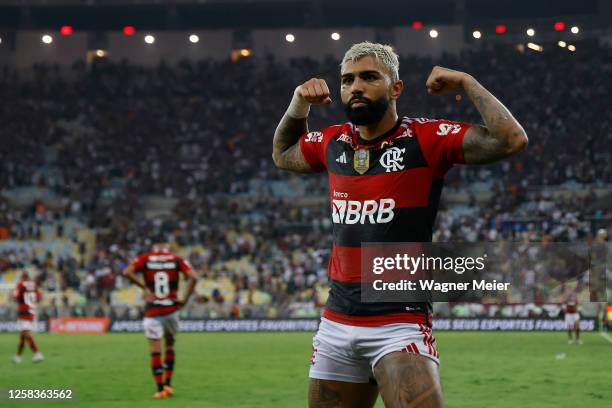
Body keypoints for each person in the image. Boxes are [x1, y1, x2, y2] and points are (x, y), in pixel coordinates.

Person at [272, 42, 528, 408]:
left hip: (398, 325)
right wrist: (299, 104)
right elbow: (282, 153)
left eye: (369, 77)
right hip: (335, 324)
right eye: (347, 80)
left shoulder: (426, 139)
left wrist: (468, 83)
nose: (355, 87)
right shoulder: (331, 142)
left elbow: (511, 139)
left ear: (396, 88)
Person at [123, 242, 198, 399]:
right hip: (171, 311)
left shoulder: (145, 258)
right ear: (167, 249)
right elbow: (194, 277)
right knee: (169, 346)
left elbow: (127, 272)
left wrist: (144, 287)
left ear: (154, 249)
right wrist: (184, 299)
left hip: (153, 311)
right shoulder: (176, 259)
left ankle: (160, 389)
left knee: (155, 351)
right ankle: (169, 385)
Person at [12, 271, 44, 364]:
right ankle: (18, 357)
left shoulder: (20, 284)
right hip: (32, 310)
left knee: (26, 333)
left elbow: (16, 297)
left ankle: (37, 353)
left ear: (22, 277)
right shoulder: (34, 284)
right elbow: (39, 296)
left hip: (23, 311)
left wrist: (15, 298)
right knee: (23, 335)